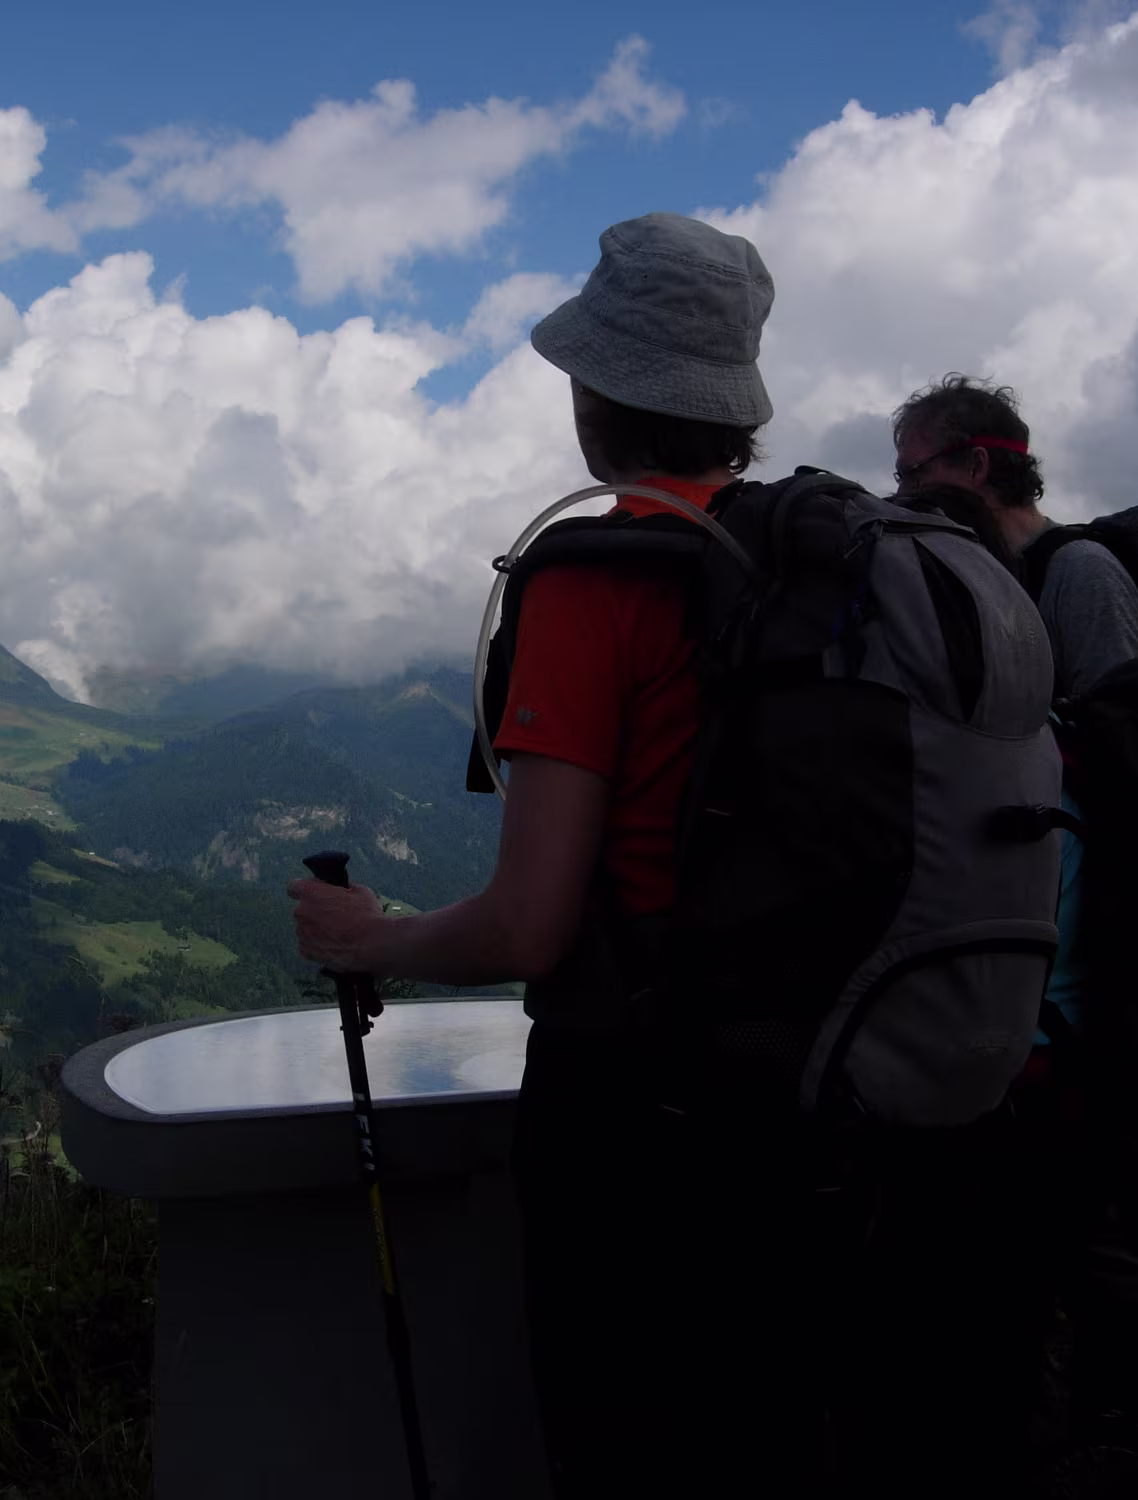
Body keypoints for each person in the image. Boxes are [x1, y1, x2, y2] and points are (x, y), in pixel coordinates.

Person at [289, 212, 801, 1497]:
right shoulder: (802, 574)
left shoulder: (596, 580)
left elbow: (528, 927)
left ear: (591, 390)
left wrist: (365, 939)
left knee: (624, 1441)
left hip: (638, 1105)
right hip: (820, 1086)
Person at [892, 374, 1138, 700]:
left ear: (976, 466)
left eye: (913, 473)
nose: (901, 494)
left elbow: (1122, 719)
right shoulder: (971, 571)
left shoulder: (1084, 572)